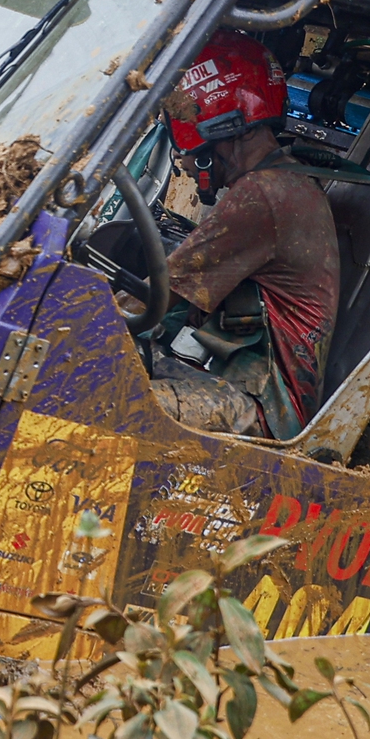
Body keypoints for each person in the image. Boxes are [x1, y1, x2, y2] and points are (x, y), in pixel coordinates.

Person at [141, 30, 340, 438]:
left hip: (263, 409)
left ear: (217, 121)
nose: (185, 161)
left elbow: (158, 295)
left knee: (118, 399)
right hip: (241, 388)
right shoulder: (287, 185)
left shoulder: (264, 195)